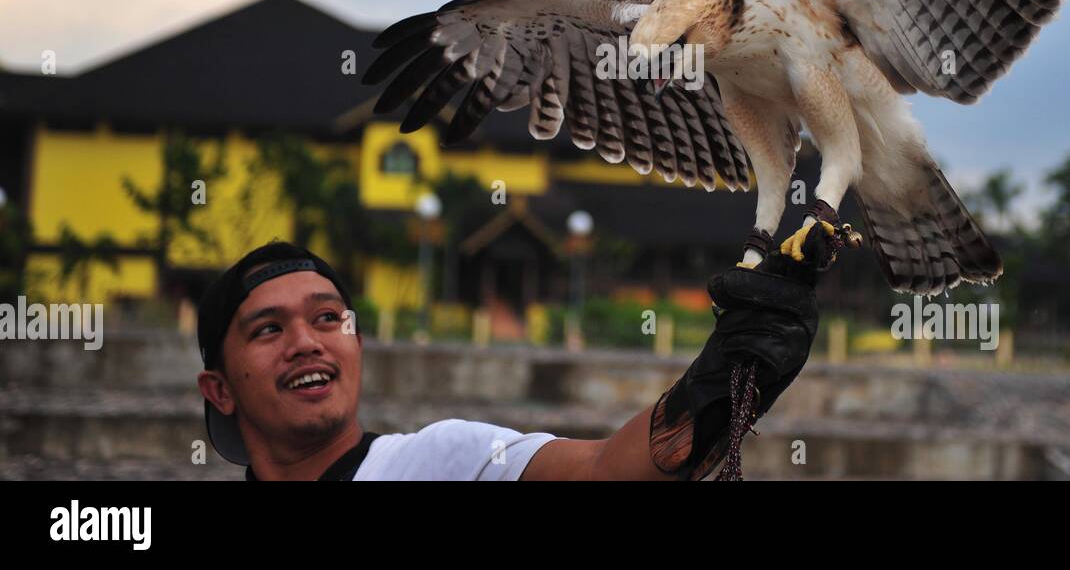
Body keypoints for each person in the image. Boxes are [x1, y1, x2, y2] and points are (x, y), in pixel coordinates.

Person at [196, 223, 847, 480]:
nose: (307, 340)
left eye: (328, 317)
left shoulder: (440, 462)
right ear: (218, 388)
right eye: (268, 329)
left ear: (357, 341)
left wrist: (735, 364)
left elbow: (605, 473)